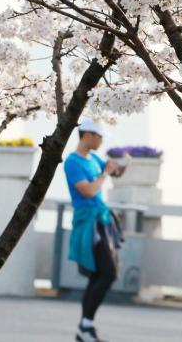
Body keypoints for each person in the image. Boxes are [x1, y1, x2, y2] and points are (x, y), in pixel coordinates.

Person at [65, 119, 126, 342]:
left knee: (100, 274)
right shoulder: (72, 162)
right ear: (88, 135)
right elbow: (89, 191)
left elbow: (113, 172)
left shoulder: (94, 159)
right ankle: (85, 327)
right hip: (88, 222)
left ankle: (85, 327)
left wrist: (120, 165)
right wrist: (106, 174)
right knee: (107, 273)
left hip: (101, 220)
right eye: (100, 137)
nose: (101, 141)